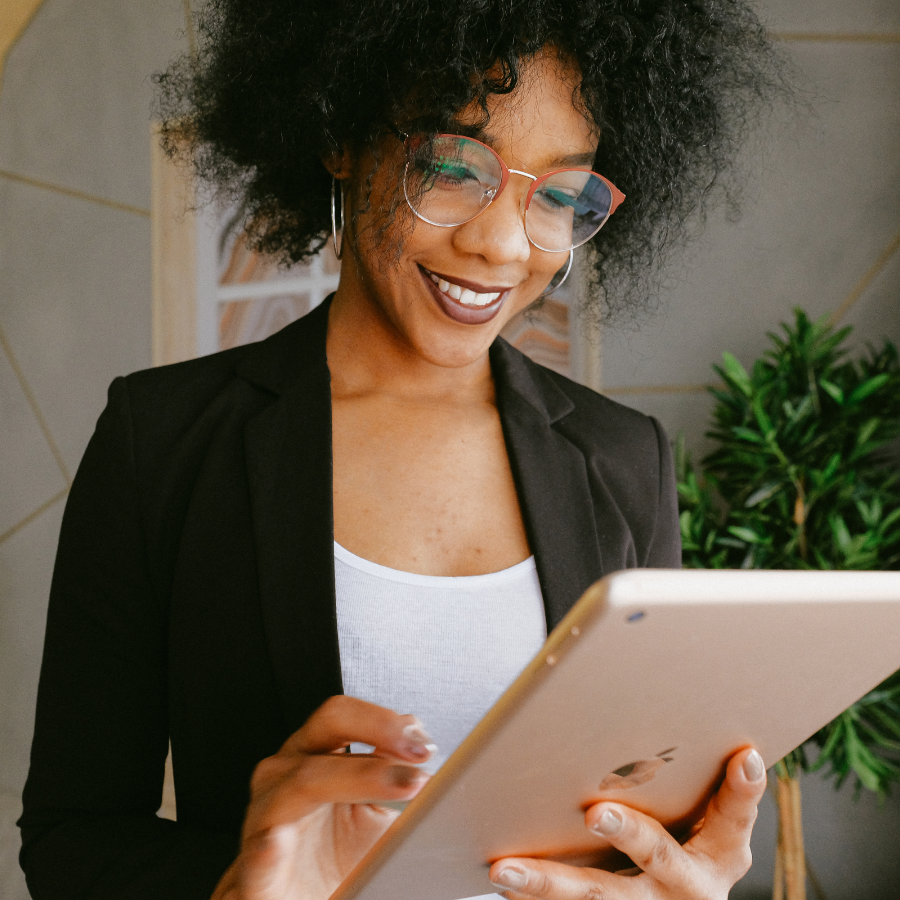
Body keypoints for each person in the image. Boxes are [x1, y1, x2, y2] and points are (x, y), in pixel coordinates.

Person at [19, 2, 784, 898]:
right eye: (454, 168)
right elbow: (72, 840)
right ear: (340, 137)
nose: (501, 244)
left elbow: (642, 821)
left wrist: (691, 873)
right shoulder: (166, 442)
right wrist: (237, 886)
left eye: (561, 194)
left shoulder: (624, 460)